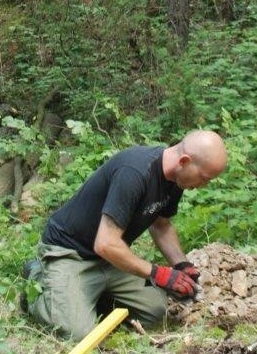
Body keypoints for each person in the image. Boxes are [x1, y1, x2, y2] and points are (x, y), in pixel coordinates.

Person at [23, 130, 227, 340]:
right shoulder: (134, 172)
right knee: (77, 334)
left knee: (155, 311)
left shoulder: (176, 179)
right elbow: (106, 243)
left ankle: (90, 296)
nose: (204, 185)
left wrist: (182, 264)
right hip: (71, 253)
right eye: (204, 178)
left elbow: (161, 224)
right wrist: (159, 274)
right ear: (184, 161)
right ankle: (38, 278)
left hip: (110, 261)